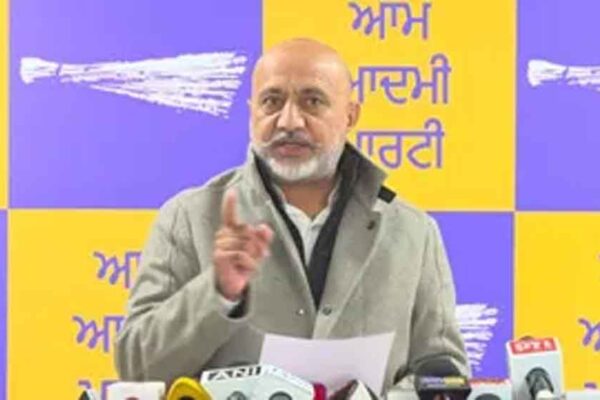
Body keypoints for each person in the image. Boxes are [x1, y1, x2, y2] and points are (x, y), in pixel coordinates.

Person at [114, 38, 470, 392]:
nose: (289, 121)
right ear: (252, 112)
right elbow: (138, 369)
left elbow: (445, 372)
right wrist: (217, 293)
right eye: (272, 101)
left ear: (350, 115)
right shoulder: (189, 217)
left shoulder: (412, 231)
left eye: (312, 101)